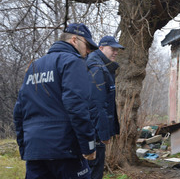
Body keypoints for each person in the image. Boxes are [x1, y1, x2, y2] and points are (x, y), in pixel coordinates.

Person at [13, 23, 99, 179]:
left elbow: (19, 111)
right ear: (75, 40)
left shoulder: (34, 67)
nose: (88, 52)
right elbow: (76, 106)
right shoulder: (72, 62)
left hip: (36, 150)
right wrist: (89, 146)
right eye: (87, 46)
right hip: (65, 150)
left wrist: (25, 147)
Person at [86, 36, 124, 179]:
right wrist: (103, 134)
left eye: (117, 50)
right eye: (112, 49)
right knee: (94, 171)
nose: (115, 52)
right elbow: (97, 104)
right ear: (101, 48)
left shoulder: (102, 66)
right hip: (94, 131)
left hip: (95, 128)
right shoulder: (96, 67)